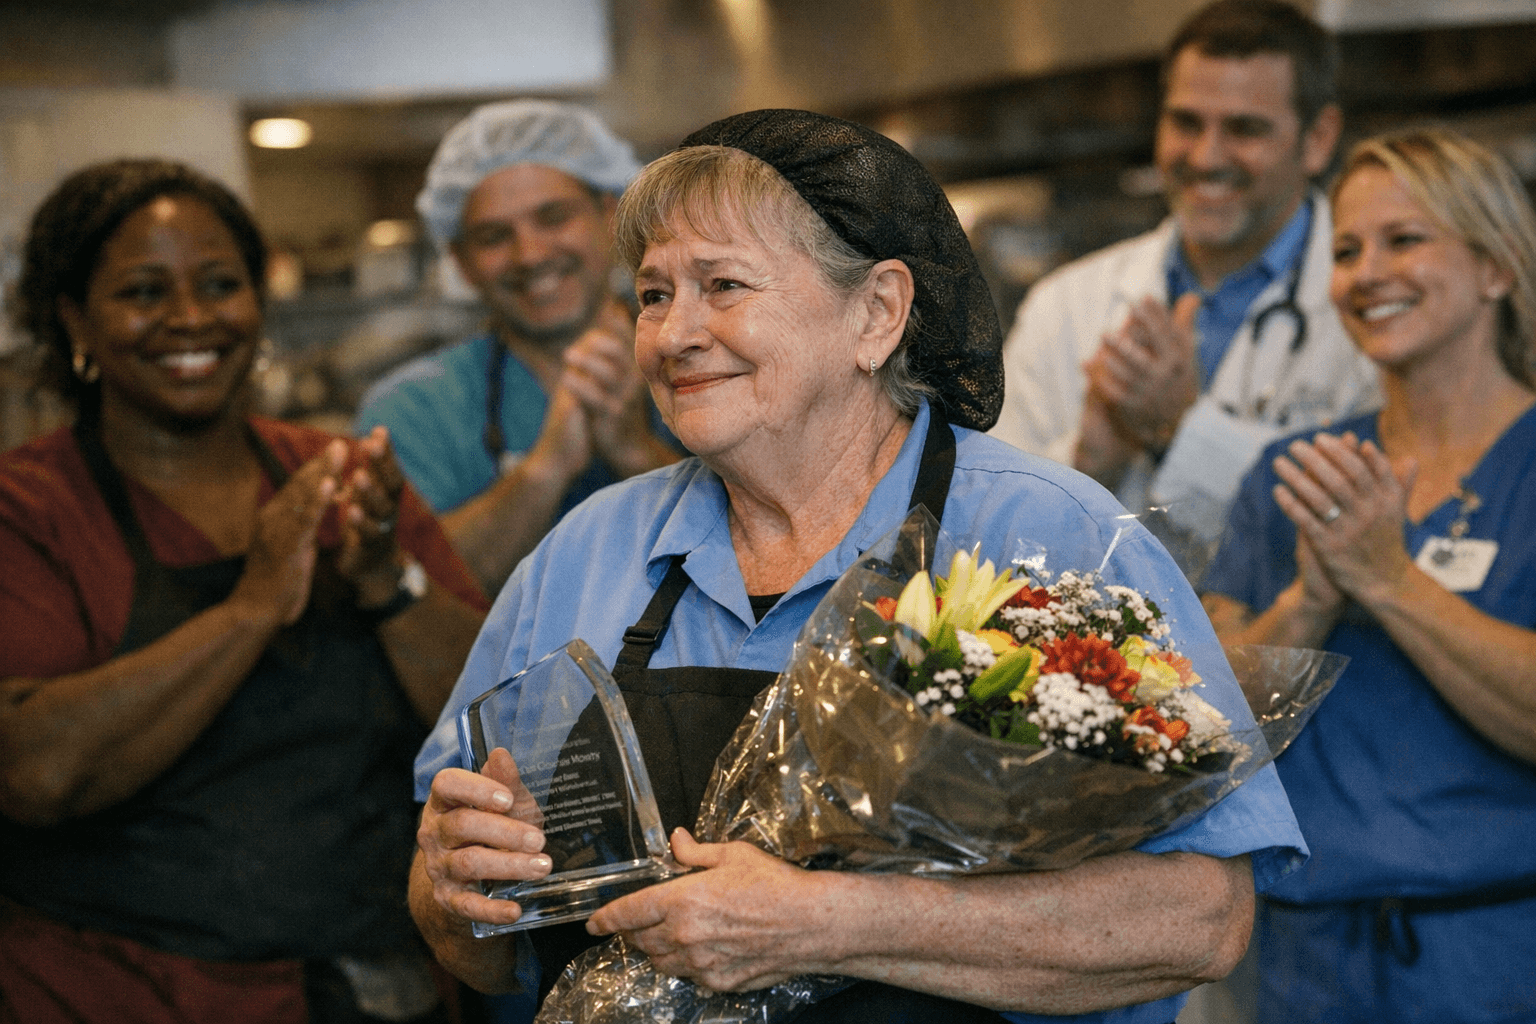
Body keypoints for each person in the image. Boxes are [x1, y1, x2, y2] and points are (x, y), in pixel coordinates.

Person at [409, 109, 1307, 1024]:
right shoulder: (584, 553)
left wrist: (828, 923)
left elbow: (1203, 918)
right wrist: (453, 893)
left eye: (722, 284)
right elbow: (478, 946)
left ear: (876, 312)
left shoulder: (1050, 536)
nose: (674, 332)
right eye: (650, 295)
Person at [0, 159, 488, 1023]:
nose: (190, 318)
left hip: (380, 987)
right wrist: (252, 607)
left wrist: (384, 579)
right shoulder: (30, 510)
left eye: (220, 284)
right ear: (74, 317)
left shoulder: (337, 477)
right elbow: (34, 771)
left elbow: (494, 721)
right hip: (117, 993)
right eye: (144, 292)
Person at [1201, 129, 1536, 1022]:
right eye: (1346, 251)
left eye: (1405, 240)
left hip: (1499, 956)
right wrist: (1310, 598)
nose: (1366, 272)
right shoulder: (1293, 476)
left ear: (1497, 268)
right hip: (1306, 963)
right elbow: (1204, 733)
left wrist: (1390, 579)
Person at [989, 0, 1378, 571]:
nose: (1206, 157)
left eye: (1245, 128)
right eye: (1186, 122)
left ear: (1318, 138)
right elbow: (984, 531)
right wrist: (1092, 458)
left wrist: (1180, 428)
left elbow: (1362, 547)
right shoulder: (1065, 305)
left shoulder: (1371, 311)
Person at [356, 100, 682, 595]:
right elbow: (412, 594)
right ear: (461, 263)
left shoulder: (709, 360)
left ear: (610, 216)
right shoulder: (411, 411)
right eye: (493, 236)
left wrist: (636, 451)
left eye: (553, 217)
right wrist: (546, 468)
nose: (529, 254)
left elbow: (782, 546)